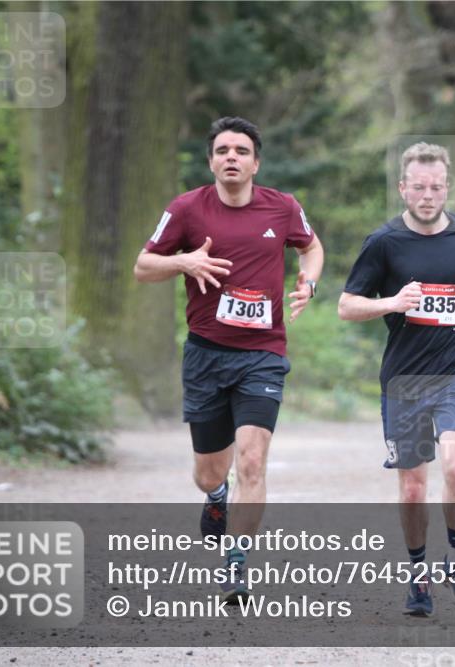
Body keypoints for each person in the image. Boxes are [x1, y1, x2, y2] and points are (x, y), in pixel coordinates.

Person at [134, 116, 323, 599]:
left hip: (262, 353)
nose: (231, 157)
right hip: (206, 355)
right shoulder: (186, 210)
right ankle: (217, 497)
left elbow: (311, 246)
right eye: (222, 150)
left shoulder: (282, 208)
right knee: (208, 472)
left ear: (256, 162)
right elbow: (143, 267)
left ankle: (236, 562)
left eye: (241, 150)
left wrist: (309, 282)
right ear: (212, 161)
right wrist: (183, 261)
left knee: (253, 460)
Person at [338, 142, 455, 616]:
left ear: (447, 188)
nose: (428, 195)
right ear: (403, 188)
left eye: (437, 187)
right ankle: (418, 575)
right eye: (419, 187)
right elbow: (347, 306)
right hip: (404, 379)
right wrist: (391, 303)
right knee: (411, 488)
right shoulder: (383, 242)